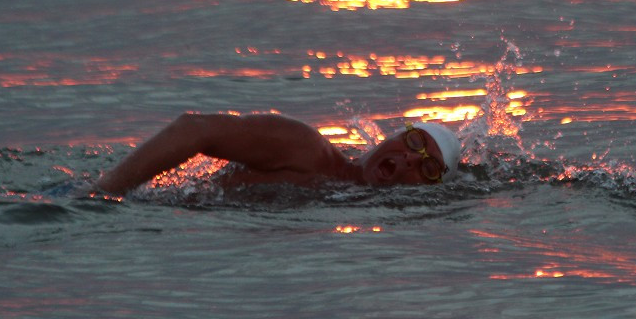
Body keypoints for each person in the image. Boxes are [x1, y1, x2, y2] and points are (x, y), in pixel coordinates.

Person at [93, 112, 462, 197]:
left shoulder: (340, 199)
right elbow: (194, 129)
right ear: (389, 139)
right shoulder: (306, 149)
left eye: (428, 168)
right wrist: (103, 194)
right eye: (415, 143)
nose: (413, 160)